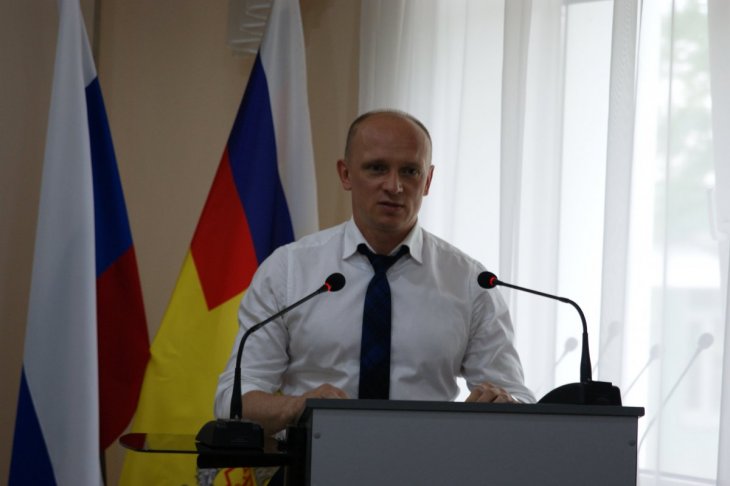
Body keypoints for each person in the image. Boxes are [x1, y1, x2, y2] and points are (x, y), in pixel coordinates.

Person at [214, 110, 534, 435]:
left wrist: (502, 403)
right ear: (346, 174)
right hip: (313, 458)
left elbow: (519, 399)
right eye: (377, 168)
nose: (394, 186)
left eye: (410, 171)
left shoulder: (470, 283)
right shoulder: (289, 271)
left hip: (427, 460)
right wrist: (300, 407)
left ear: (427, 181)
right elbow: (232, 401)